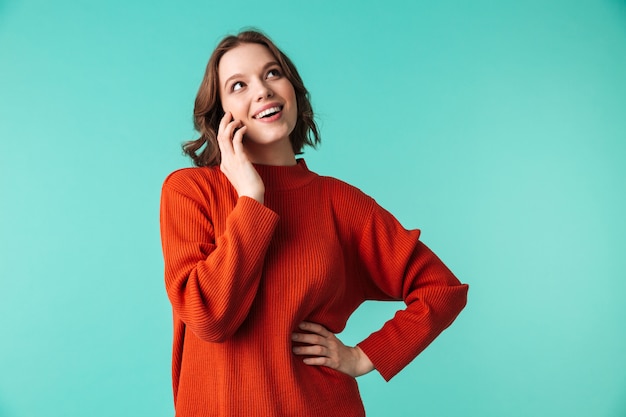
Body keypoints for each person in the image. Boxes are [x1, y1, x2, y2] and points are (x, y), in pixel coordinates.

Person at [159, 29, 468, 417]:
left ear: (293, 90)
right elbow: (211, 318)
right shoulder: (190, 192)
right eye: (238, 85)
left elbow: (442, 290)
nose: (262, 91)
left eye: (272, 74)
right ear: (222, 113)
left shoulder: (340, 201)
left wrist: (363, 356)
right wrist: (252, 199)